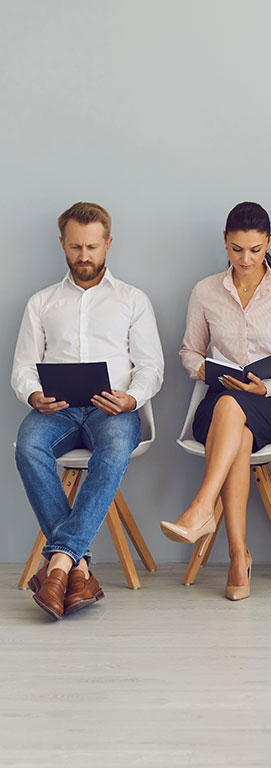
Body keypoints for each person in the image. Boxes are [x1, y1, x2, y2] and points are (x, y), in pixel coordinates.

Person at [12, 202, 164, 620]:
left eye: (92, 247)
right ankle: (75, 565)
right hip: (56, 409)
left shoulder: (133, 300)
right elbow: (23, 366)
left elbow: (151, 365)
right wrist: (32, 395)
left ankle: (59, 563)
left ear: (108, 244)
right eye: (76, 246)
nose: (84, 256)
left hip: (111, 409)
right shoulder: (41, 302)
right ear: (62, 244)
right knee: (27, 447)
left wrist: (131, 398)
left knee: (113, 450)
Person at [161, 202, 271, 601]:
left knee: (235, 411)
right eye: (237, 249)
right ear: (225, 242)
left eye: (256, 250)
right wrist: (206, 370)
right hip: (220, 396)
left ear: (269, 243)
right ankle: (238, 555)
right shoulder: (205, 290)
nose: (246, 258)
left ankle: (202, 509)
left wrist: (267, 387)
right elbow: (189, 351)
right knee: (233, 421)